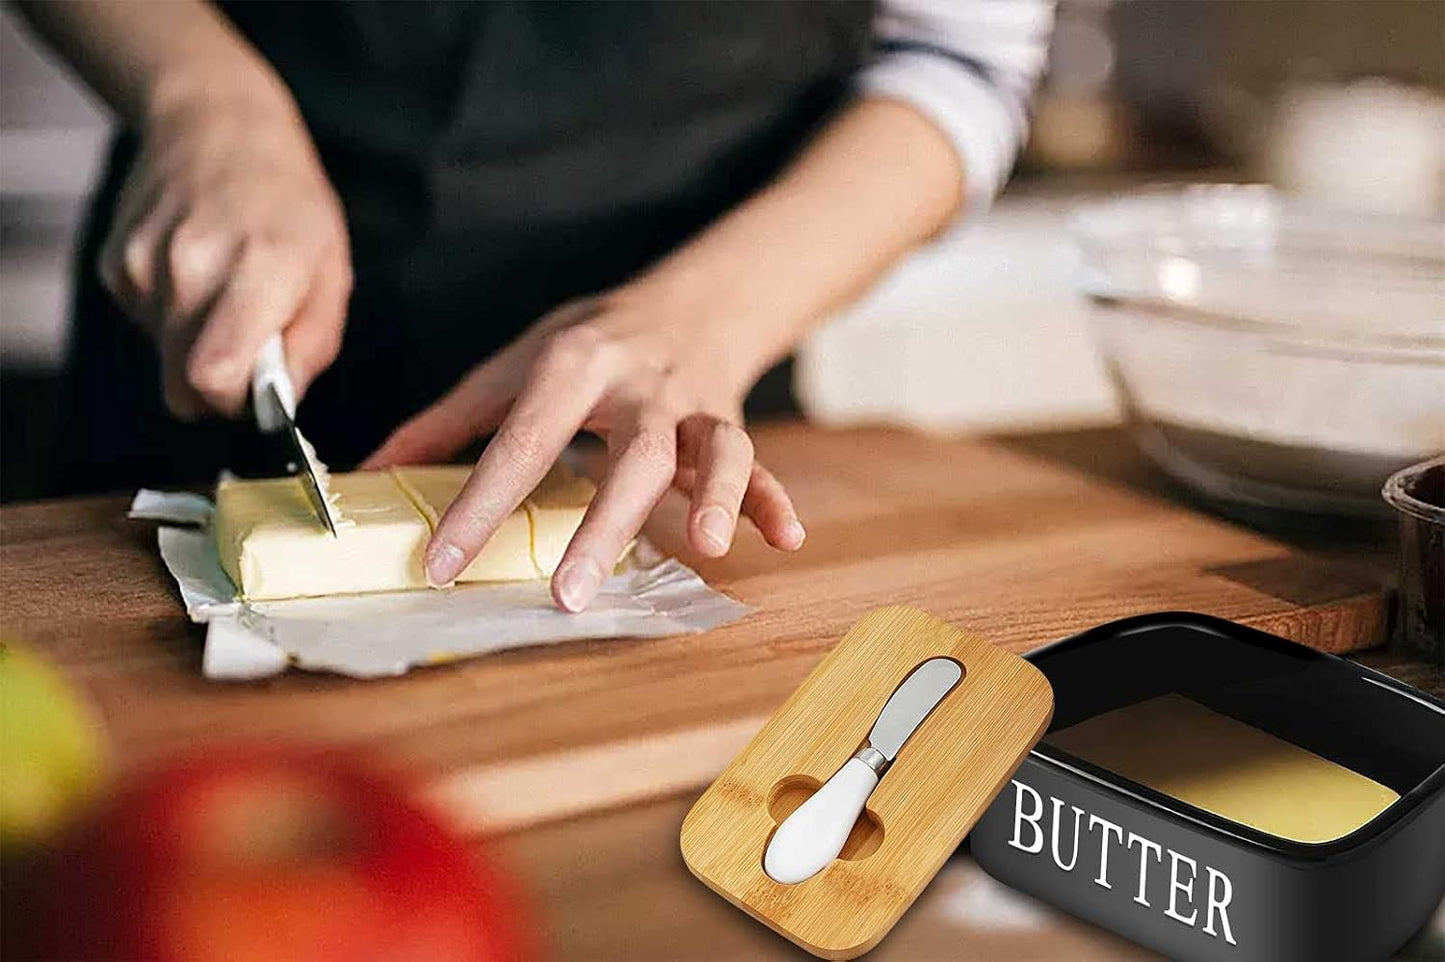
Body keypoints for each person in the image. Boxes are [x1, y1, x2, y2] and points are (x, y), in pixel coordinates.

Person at [18, 0, 1051, 611]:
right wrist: (199, 96)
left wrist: (703, 320)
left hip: (683, 382)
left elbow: (957, 63)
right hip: (210, 301)